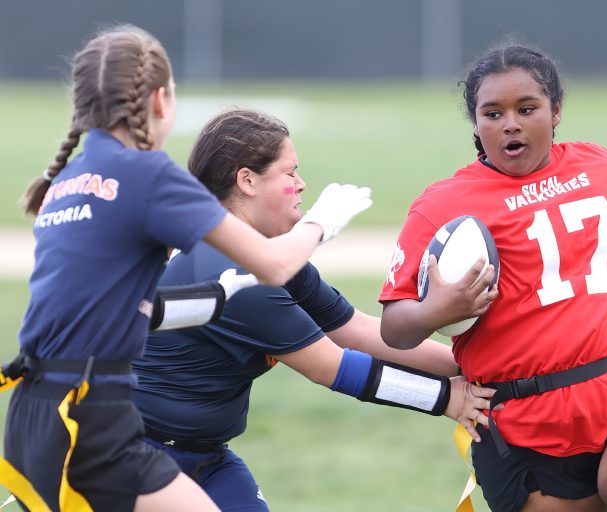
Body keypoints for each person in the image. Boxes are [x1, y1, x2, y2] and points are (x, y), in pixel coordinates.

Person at [1, 24, 372, 512]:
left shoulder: (68, 180)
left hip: (35, 411)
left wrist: (220, 298)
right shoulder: (147, 173)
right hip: (92, 423)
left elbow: (130, 312)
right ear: (160, 101)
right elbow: (277, 262)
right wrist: (322, 222)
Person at [378, 41, 607, 512]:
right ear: (475, 123)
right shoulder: (442, 206)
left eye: (526, 108)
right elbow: (394, 326)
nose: (510, 123)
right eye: (492, 113)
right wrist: (434, 311)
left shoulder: (598, 167)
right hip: (524, 423)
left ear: (555, 112)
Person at [130, 107, 496, 511]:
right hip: (135, 454)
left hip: (207, 455)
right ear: (247, 180)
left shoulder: (271, 257)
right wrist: (446, 399)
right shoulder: (231, 267)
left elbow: (356, 329)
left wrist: (470, 365)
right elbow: (332, 368)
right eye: (290, 173)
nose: (302, 184)